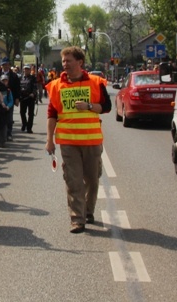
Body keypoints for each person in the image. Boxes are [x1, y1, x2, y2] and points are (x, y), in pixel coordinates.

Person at [45, 46, 111, 234]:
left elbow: (106, 107)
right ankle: (77, 219)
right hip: (68, 142)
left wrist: (89, 106)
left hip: (91, 140)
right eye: (63, 61)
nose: (65, 64)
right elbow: (52, 115)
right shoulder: (57, 85)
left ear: (80, 62)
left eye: (69, 60)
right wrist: (49, 140)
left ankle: (88, 211)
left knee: (92, 179)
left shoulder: (96, 82)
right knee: (73, 181)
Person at [0, 57, 21, 141]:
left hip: (10, 98)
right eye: (4, 65)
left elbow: (17, 88)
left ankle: (9, 133)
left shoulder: (14, 75)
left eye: (7, 64)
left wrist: (17, 98)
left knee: (9, 117)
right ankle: (0, 135)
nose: (5, 66)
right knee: (0, 118)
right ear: (1, 65)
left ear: (9, 65)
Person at [19, 65, 37, 134]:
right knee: (22, 112)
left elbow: (35, 87)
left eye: (27, 69)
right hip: (23, 98)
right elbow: (19, 87)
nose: (26, 71)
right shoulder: (21, 78)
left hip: (30, 98)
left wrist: (33, 93)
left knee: (30, 114)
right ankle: (24, 124)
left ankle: (29, 128)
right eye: (25, 69)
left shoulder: (33, 78)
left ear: (30, 70)